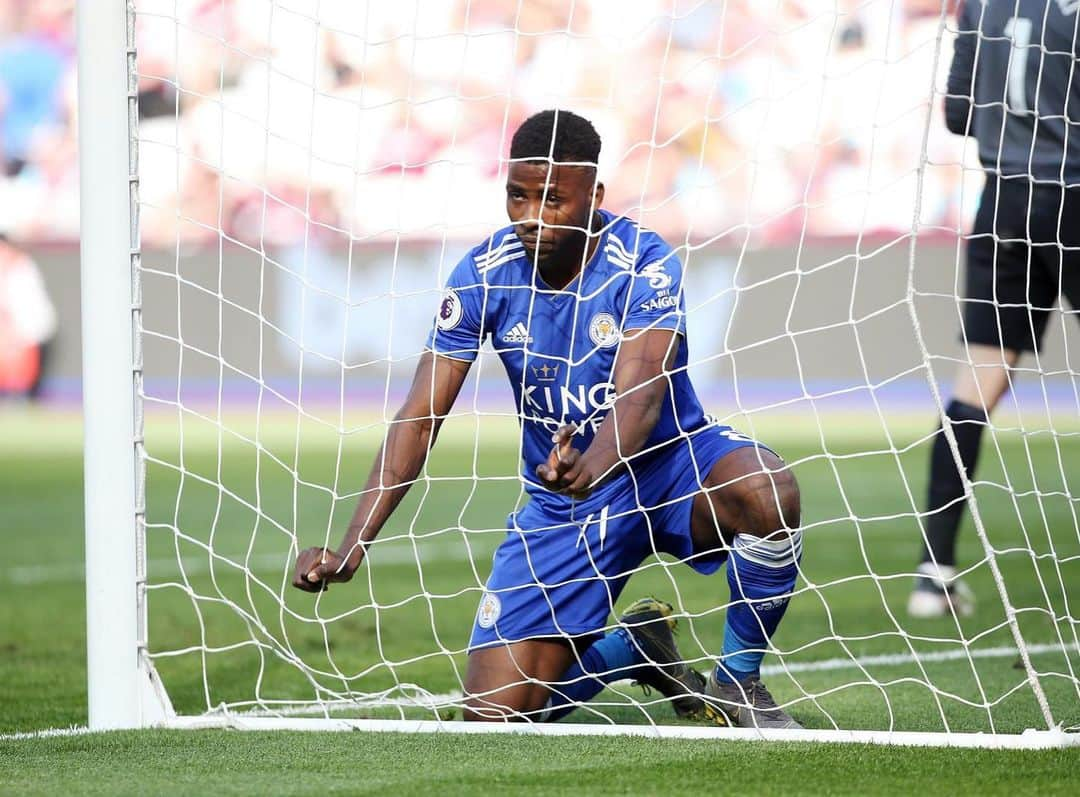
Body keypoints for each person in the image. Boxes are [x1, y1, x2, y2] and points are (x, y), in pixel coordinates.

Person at [293, 110, 804, 729]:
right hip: (563, 501)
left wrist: (592, 463)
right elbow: (420, 416)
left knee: (765, 489)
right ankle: (631, 649)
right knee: (493, 721)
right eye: (518, 194)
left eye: (553, 198)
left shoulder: (644, 261)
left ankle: (738, 680)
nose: (531, 214)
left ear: (594, 196)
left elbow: (640, 394)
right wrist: (353, 545)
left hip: (668, 466)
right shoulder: (483, 273)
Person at [909, 0, 1080, 618]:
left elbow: (958, 115)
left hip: (1003, 202)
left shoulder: (981, 2)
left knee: (976, 387)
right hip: (1076, 192)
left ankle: (934, 573)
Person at [0, 234, 56, 398]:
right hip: (19, 340)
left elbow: (26, 314)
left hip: (33, 336)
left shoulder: (22, 268)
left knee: (29, 391)